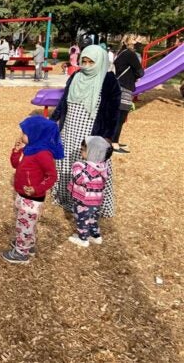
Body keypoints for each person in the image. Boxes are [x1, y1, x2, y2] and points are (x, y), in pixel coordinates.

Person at [50, 45, 121, 219]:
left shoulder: (109, 81)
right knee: (66, 163)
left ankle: (92, 207)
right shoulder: (76, 76)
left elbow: (113, 113)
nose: (87, 66)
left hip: (91, 132)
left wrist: (107, 137)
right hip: (69, 128)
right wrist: (53, 121)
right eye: (84, 61)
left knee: (90, 168)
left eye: (92, 62)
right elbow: (63, 102)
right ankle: (67, 199)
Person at [1, 116, 64, 264]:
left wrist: (37, 189)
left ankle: (21, 253)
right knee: (26, 223)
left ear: (37, 134)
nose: (21, 136)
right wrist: (16, 151)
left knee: (25, 224)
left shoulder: (43, 154)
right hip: (23, 194)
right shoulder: (30, 149)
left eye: (25, 133)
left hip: (32, 197)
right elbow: (16, 165)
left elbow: (52, 176)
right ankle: (28, 244)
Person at [67, 136, 111, 247]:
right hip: (96, 200)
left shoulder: (87, 167)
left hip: (84, 201)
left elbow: (80, 179)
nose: (81, 151)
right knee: (93, 219)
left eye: (83, 150)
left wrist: (76, 166)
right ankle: (95, 236)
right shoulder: (103, 165)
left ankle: (83, 239)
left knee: (82, 219)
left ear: (93, 152)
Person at [112, 34, 145, 154]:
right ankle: (114, 144)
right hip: (125, 88)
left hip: (118, 86)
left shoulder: (121, 53)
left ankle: (112, 140)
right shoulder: (130, 54)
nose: (137, 41)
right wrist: (136, 76)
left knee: (116, 116)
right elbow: (140, 72)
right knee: (120, 117)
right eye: (135, 39)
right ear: (128, 41)